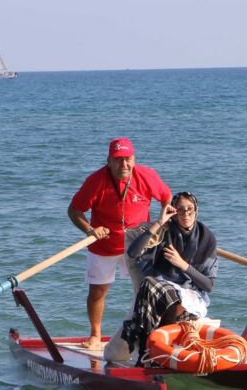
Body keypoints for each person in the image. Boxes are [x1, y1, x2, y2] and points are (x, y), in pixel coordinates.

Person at [68, 137, 172, 349]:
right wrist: (90, 230)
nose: (123, 164)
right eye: (118, 160)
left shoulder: (147, 176)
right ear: (108, 161)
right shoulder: (95, 181)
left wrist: (161, 224)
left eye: (127, 159)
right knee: (97, 292)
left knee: (145, 290)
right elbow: (74, 210)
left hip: (138, 244)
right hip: (103, 244)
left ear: (134, 159)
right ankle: (96, 335)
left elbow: (166, 198)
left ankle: (149, 334)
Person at [121, 192, 218, 364]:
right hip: (157, 292)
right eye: (180, 210)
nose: (186, 215)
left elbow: (208, 285)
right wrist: (160, 221)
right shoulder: (163, 231)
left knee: (158, 289)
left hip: (190, 295)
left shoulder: (206, 238)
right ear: (173, 212)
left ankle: (150, 353)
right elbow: (133, 253)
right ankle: (149, 350)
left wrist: (183, 265)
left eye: (190, 209)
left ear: (197, 211)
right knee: (151, 284)